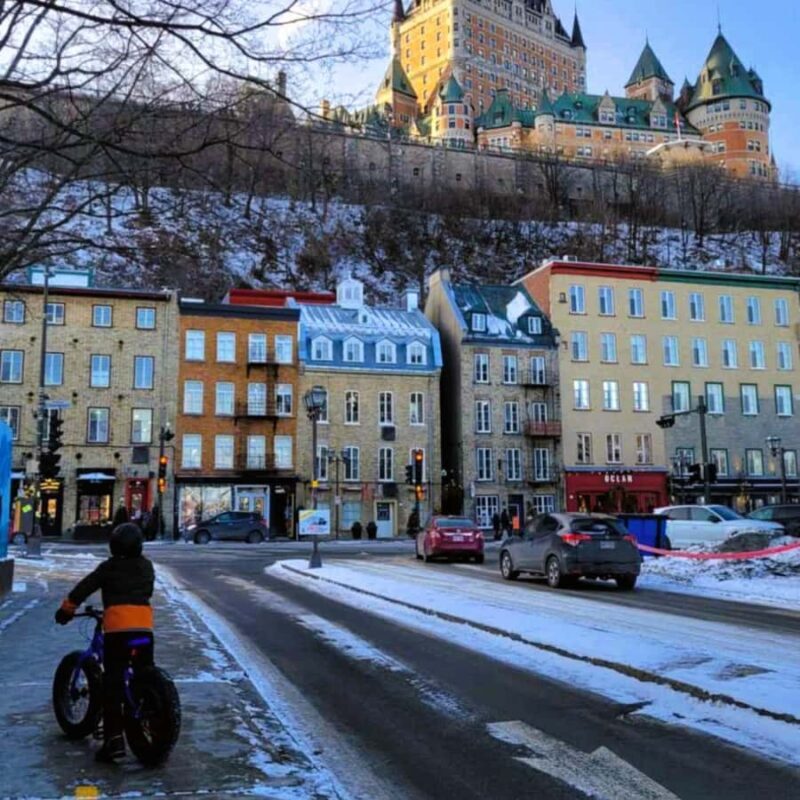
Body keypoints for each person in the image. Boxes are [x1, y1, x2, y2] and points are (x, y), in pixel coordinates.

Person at [54, 523, 155, 763]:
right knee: (144, 676)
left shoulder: (109, 567)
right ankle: (151, 719)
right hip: (144, 629)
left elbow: (83, 588)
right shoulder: (146, 566)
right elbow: (146, 591)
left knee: (113, 684)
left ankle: (114, 740)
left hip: (118, 631)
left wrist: (67, 610)